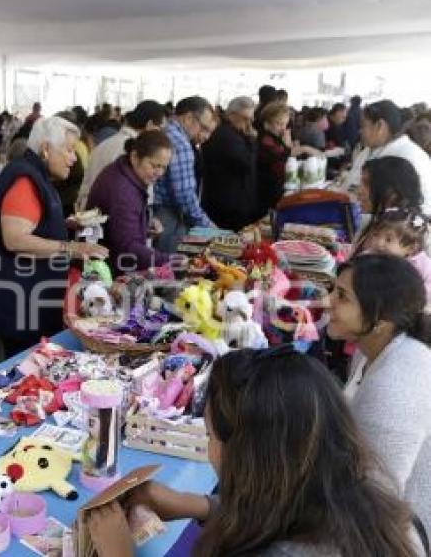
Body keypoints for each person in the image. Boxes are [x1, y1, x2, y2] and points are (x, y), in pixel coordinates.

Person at [88, 347, 422, 557]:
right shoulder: (369, 504)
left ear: (247, 457)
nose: (209, 450)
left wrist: (119, 553)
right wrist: (200, 504)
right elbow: (281, 513)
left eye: (210, 436)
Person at [0, 117, 107, 357]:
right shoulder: (25, 178)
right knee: (26, 363)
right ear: (45, 149)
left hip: (26, 297)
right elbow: (16, 239)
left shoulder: (34, 173)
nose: (74, 158)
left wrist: (61, 225)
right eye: (69, 150)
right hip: (20, 300)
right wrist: (73, 247)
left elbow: (31, 224)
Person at [327, 253, 431, 531]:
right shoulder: (372, 348)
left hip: (395, 533)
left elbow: (374, 501)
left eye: (343, 297)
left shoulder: (396, 389)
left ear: (381, 320)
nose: (329, 303)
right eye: (334, 291)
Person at [86, 130, 172, 275]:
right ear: (134, 157)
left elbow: (119, 226)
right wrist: (168, 259)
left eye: (164, 167)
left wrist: (142, 224)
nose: (159, 173)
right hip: (109, 273)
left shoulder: (124, 172)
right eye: (154, 165)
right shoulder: (123, 190)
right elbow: (127, 248)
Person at [76, 100, 167, 212]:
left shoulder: (104, 144)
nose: (162, 134)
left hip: (90, 216)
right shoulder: (136, 152)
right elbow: (139, 200)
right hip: (118, 218)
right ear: (149, 125)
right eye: (161, 129)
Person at [153, 96, 217, 253]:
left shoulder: (165, 131)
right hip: (168, 216)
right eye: (203, 127)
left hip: (155, 213)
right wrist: (209, 227)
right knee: (169, 269)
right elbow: (185, 196)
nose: (205, 136)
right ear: (188, 118)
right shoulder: (181, 144)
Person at [346, 100, 431, 213]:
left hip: (403, 226)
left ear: (380, 126)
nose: (360, 131)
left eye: (363, 126)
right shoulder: (373, 148)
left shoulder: (401, 158)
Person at [201, 96, 260, 231]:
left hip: (230, 202)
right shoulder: (226, 135)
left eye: (252, 119)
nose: (249, 124)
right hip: (229, 205)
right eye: (246, 118)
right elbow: (247, 163)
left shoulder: (233, 132)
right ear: (232, 115)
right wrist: (252, 140)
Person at [355, 208, 431, 307]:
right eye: (376, 235)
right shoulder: (369, 257)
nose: (379, 242)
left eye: (388, 239)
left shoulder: (422, 264)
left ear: (411, 248)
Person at [256, 102, 321, 213]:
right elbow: (282, 154)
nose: (283, 128)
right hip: (267, 191)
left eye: (285, 124)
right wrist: (304, 148)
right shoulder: (265, 139)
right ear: (267, 123)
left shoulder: (276, 137)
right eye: (279, 124)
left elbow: (288, 154)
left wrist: (290, 145)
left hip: (279, 187)